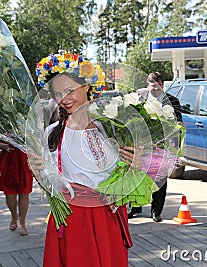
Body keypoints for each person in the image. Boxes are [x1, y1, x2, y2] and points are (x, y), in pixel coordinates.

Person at [32, 52, 143, 266]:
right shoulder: (52, 133)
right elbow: (50, 183)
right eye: (57, 93)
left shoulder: (111, 129)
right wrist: (38, 171)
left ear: (86, 86)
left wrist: (135, 168)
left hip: (107, 215)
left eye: (69, 90)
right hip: (71, 218)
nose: (64, 99)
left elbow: (126, 180)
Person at [129, 71, 182, 222]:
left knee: (159, 178)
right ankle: (135, 208)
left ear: (163, 85)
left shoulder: (172, 101)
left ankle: (156, 211)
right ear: (147, 86)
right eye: (153, 86)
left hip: (162, 146)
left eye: (159, 85)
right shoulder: (140, 100)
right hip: (142, 146)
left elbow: (178, 123)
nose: (156, 88)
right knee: (137, 177)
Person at [0, 137, 34, 236]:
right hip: (8, 159)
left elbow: (35, 138)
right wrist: (5, 146)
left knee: (24, 192)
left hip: (24, 159)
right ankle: (14, 216)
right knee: (9, 193)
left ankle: (22, 222)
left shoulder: (27, 122)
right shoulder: (1, 123)